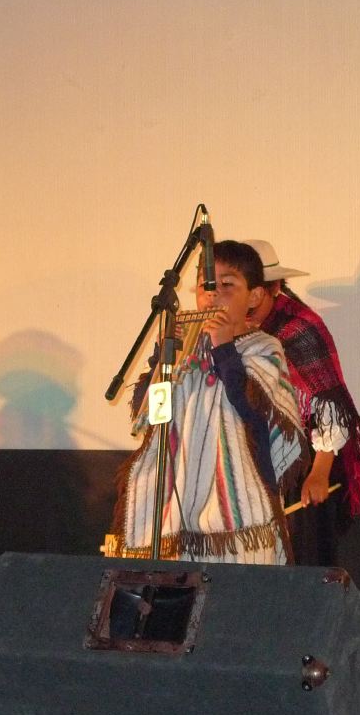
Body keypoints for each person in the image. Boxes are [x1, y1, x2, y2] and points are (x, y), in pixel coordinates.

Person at [110, 241, 305, 564]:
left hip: (240, 512)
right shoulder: (181, 345)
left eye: (227, 285)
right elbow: (150, 416)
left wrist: (225, 348)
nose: (212, 296)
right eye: (205, 286)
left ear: (254, 297)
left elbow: (256, 415)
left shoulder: (264, 347)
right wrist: (163, 363)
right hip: (181, 495)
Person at [244, 239, 360, 567]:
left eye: (254, 301)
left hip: (305, 463)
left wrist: (319, 471)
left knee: (304, 556)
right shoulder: (237, 332)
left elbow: (329, 402)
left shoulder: (299, 329)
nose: (249, 310)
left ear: (271, 289)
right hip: (260, 459)